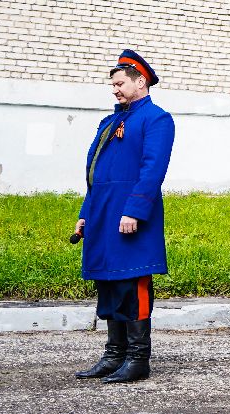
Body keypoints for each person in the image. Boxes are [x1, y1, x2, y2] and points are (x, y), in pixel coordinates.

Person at [74, 49, 175, 385]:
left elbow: (152, 170)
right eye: (113, 85)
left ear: (140, 81)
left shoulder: (157, 119)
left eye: (120, 83)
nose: (115, 90)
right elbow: (96, 175)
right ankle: (113, 355)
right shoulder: (111, 122)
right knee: (109, 282)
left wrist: (134, 209)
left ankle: (137, 359)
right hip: (104, 215)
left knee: (132, 284)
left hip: (131, 216)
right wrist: (85, 214)